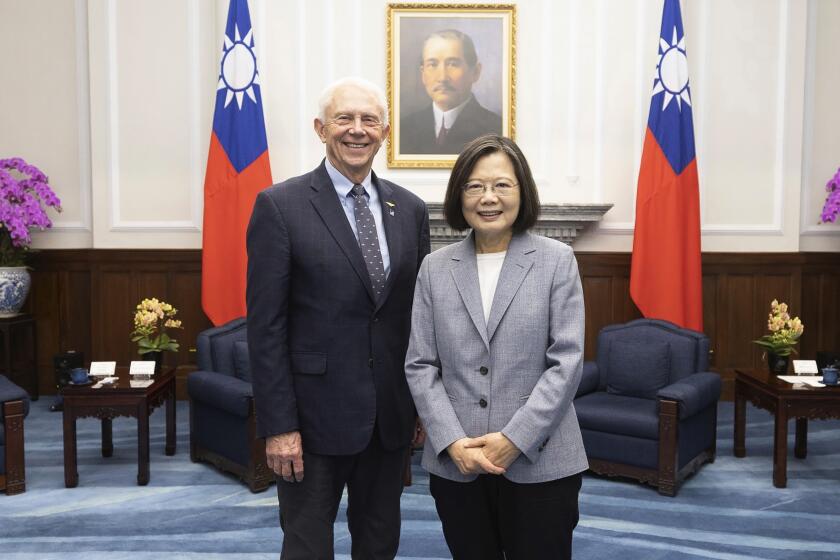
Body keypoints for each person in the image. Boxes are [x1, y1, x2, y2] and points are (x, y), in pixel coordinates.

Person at [246, 76, 430, 560]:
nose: (357, 130)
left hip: (388, 420)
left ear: (384, 132)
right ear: (320, 129)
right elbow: (265, 329)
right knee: (307, 547)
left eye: (369, 120)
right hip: (311, 423)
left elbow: (416, 318)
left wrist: (417, 407)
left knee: (379, 543)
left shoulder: (409, 210)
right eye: (344, 119)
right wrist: (279, 425)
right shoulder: (279, 206)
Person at [404, 134, 587, 559]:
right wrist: (451, 441)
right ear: (459, 195)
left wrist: (514, 438)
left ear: (522, 192)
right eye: (474, 186)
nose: (488, 198)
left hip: (542, 462)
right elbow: (420, 364)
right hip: (458, 463)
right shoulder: (434, 268)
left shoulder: (556, 260)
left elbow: (567, 362)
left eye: (502, 185)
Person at [400, 29, 503, 155]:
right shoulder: (404, 129)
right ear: (423, 74)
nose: (442, 77)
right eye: (432, 64)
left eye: (453, 64)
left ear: (475, 72)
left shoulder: (497, 129)